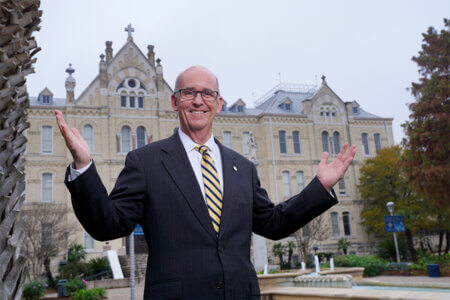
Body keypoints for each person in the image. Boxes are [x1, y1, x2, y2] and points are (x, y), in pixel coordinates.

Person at [54, 66, 356, 299]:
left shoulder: (242, 167)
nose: (198, 101)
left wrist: (320, 186)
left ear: (218, 103)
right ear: (174, 101)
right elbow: (109, 225)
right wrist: (83, 165)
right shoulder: (145, 162)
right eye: (188, 93)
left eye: (207, 94)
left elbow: (274, 223)